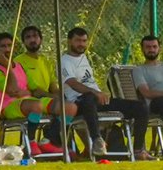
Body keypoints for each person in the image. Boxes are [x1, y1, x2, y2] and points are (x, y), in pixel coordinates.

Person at [61, 26, 151, 160]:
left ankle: (138, 149)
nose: (81, 44)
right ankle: (97, 140)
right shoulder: (64, 60)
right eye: (78, 41)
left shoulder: (84, 58)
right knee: (89, 97)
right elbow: (72, 83)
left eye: (84, 41)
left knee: (141, 107)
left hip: (96, 100)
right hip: (80, 102)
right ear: (69, 41)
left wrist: (99, 93)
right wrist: (95, 92)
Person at [15, 24, 76, 151]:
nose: (32, 40)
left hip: (47, 99)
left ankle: (52, 140)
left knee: (72, 106)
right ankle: (46, 142)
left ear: (41, 39)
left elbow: (53, 86)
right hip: (31, 100)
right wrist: (53, 96)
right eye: (28, 37)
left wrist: (62, 95)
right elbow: (34, 91)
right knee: (68, 107)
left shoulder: (45, 61)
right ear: (23, 42)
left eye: (35, 36)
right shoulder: (19, 61)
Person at [0, 33, 49, 123]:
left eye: (9, 45)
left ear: (14, 47)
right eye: (3, 46)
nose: (7, 49)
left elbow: (34, 88)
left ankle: (49, 136)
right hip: (8, 107)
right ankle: (31, 136)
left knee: (66, 107)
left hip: (28, 101)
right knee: (36, 106)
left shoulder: (20, 66)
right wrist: (9, 67)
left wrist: (53, 96)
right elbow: (12, 91)